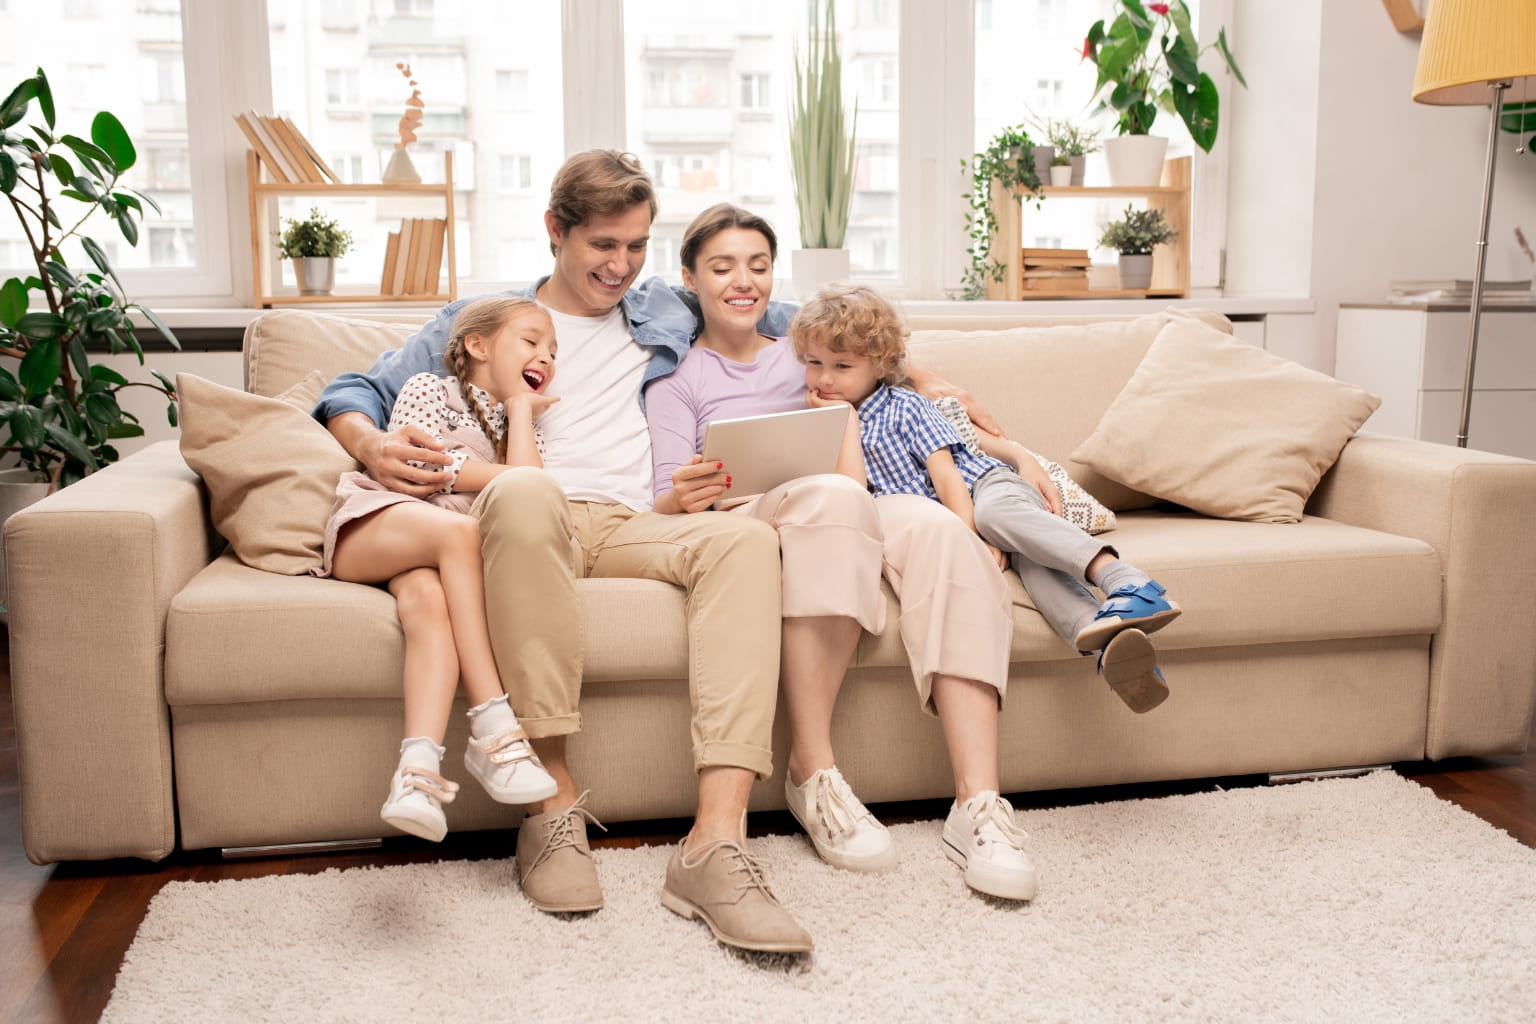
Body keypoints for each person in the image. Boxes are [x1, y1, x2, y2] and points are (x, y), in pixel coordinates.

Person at [315, 151, 813, 954]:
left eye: (637, 246)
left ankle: (716, 844)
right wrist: (369, 445)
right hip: (527, 515)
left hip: (627, 521)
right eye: (602, 245)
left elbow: (799, 320)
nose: (620, 266)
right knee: (522, 489)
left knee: (746, 542)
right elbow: (353, 389)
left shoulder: (665, 310)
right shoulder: (484, 318)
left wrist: (918, 372)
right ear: (556, 231)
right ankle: (551, 808)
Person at [645, 204, 1037, 901]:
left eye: (759, 266)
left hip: (862, 496)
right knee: (832, 497)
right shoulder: (680, 378)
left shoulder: (804, 347)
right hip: (757, 511)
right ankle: (813, 772)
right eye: (723, 267)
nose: (744, 281)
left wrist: (1001, 444)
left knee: (946, 533)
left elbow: (876, 349)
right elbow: (664, 499)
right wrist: (688, 490)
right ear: (689, 279)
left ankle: (978, 804)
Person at [791, 283, 1182, 718]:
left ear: (879, 364)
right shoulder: (827, 420)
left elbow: (946, 475)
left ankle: (1125, 579)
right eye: (814, 363)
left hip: (984, 489)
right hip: (953, 522)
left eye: (841, 365)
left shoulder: (903, 404)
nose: (824, 378)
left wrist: (971, 534)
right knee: (1037, 571)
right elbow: (853, 493)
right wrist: (842, 420)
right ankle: (1112, 647)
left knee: (996, 517)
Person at [319, 296, 562, 843]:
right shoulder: (430, 388)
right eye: (531, 342)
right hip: (381, 524)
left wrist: (521, 410)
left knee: (429, 606)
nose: (545, 357)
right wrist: (499, 470)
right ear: (477, 346)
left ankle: (417, 777)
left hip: (433, 556)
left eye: (553, 351)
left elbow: (529, 486)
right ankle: (496, 730)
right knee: (461, 531)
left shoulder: (515, 422)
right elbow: (424, 469)